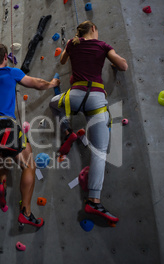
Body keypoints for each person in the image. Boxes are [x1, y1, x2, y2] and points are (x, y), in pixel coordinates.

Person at [49, 21, 128, 222]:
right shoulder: (103, 46)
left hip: (74, 96)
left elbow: (62, 62)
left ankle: (67, 131)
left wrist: (69, 46)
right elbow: (123, 66)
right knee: (100, 152)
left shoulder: (72, 44)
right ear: (94, 28)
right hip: (96, 98)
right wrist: (112, 61)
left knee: (54, 103)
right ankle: (93, 200)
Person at [0, 43, 60, 228]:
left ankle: (2, 182)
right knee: (29, 165)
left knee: (7, 152)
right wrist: (52, 83)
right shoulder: (10, 72)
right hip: (4, 125)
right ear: (5, 57)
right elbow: (37, 84)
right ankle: (26, 213)